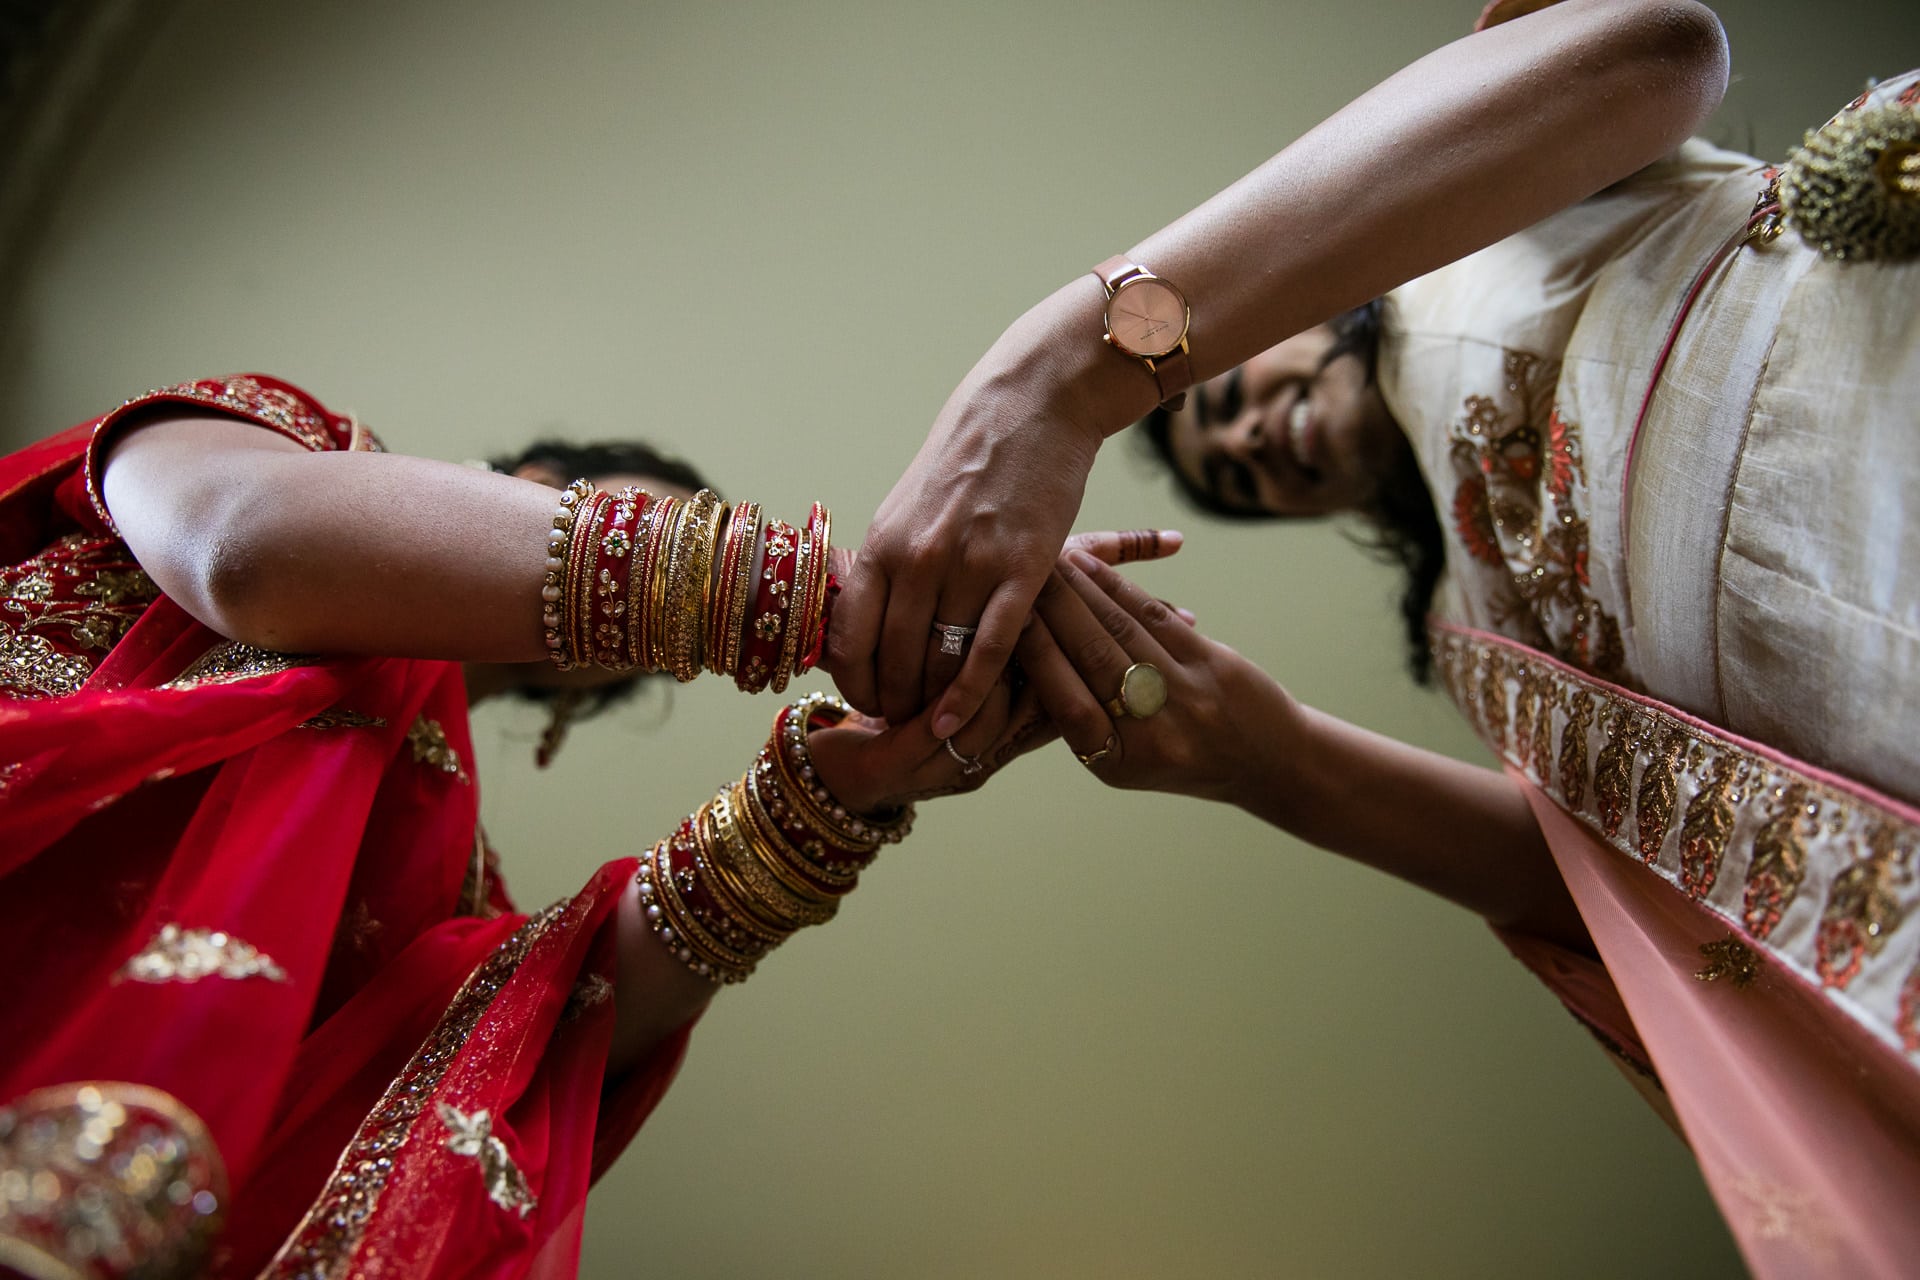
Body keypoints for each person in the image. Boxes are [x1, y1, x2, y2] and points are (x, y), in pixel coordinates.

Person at [829, 0, 1920, 1273]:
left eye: (1224, 396)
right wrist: (1267, 761)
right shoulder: (1479, 634)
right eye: (1231, 477)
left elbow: (1660, 49)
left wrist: (1062, 378)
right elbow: (1623, 896)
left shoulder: (1478, 215)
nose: (1241, 441)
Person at [0, 373, 1163, 1276]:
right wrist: (837, 605)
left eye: (640, 635)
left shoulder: (445, 898)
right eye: (615, 537)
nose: (631, 606)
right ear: (522, 479)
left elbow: (554, 1024)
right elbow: (239, 539)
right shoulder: (287, 438)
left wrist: (836, 792)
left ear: (568, 705)